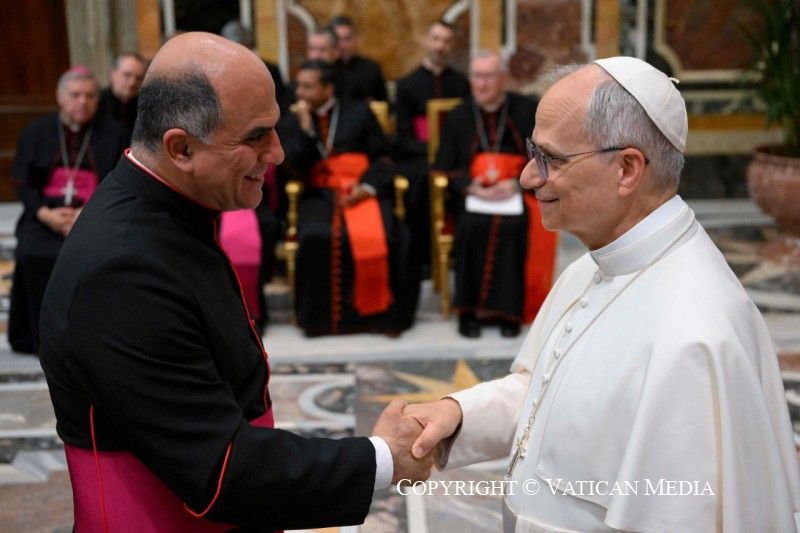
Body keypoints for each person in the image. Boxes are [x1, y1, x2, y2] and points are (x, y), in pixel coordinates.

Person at [39, 33, 432, 531]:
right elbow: (221, 470)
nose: (278, 153)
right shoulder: (120, 277)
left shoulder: (168, 208)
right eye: (256, 137)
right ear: (181, 148)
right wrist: (383, 458)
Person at [405, 57, 800, 531]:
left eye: (551, 158)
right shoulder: (594, 264)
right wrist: (456, 414)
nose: (528, 177)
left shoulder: (694, 338)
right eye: (533, 152)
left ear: (627, 169)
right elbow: (547, 395)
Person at [281, 59, 418, 336]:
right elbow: (293, 166)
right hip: (320, 194)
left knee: (393, 236)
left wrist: (367, 187)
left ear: (328, 88)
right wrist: (307, 129)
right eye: (299, 86)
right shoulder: (291, 120)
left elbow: (383, 156)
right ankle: (321, 322)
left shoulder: (359, 112)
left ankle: (383, 318)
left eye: (308, 87)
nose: (300, 93)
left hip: (362, 189)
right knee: (315, 236)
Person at [433, 50, 556, 338]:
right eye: (476, 76)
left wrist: (515, 183)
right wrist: (470, 186)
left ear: (503, 79)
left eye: (488, 76)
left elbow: (543, 157)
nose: (481, 83)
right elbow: (444, 165)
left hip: (517, 190)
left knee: (515, 226)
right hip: (473, 195)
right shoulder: (459, 115)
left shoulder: (525, 110)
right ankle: (468, 312)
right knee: (471, 225)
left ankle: (508, 311)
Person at [9, 67, 126, 355]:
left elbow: (120, 183)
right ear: (60, 97)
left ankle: (88, 335)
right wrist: (45, 215)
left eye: (90, 96)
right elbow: (24, 183)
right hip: (45, 215)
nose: (82, 101)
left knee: (97, 258)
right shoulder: (37, 131)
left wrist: (88, 214)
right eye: (75, 95)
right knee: (32, 253)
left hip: (95, 215)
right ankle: (38, 337)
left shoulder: (115, 133)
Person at [219, 19, 288, 332]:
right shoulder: (211, 76)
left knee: (266, 225)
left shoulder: (269, 72)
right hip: (222, 169)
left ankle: (255, 310)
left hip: (259, 164)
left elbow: (279, 120)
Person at [394, 19, 471, 275]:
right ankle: (422, 259)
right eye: (436, 39)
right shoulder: (406, 85)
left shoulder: (461, 84)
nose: (440, 46)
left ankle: (459, 254)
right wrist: (434, 154)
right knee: (420, 184)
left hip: (455, 156)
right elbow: (403, 136)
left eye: (446, 41)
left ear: (452, 46)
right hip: (420, 156)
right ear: (427, 41)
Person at [329, 15, 387, 102]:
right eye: (338, 39)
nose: (343, 45)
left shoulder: (370, 68)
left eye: (347, 39)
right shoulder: (327, 68)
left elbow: (383, 102)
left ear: (356, 39)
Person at [97, 53, 147, 144]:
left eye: (139, 78)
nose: (132, 82)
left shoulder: (146, 105)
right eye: (127, 75)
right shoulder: (96, 102)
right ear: (113, 74)